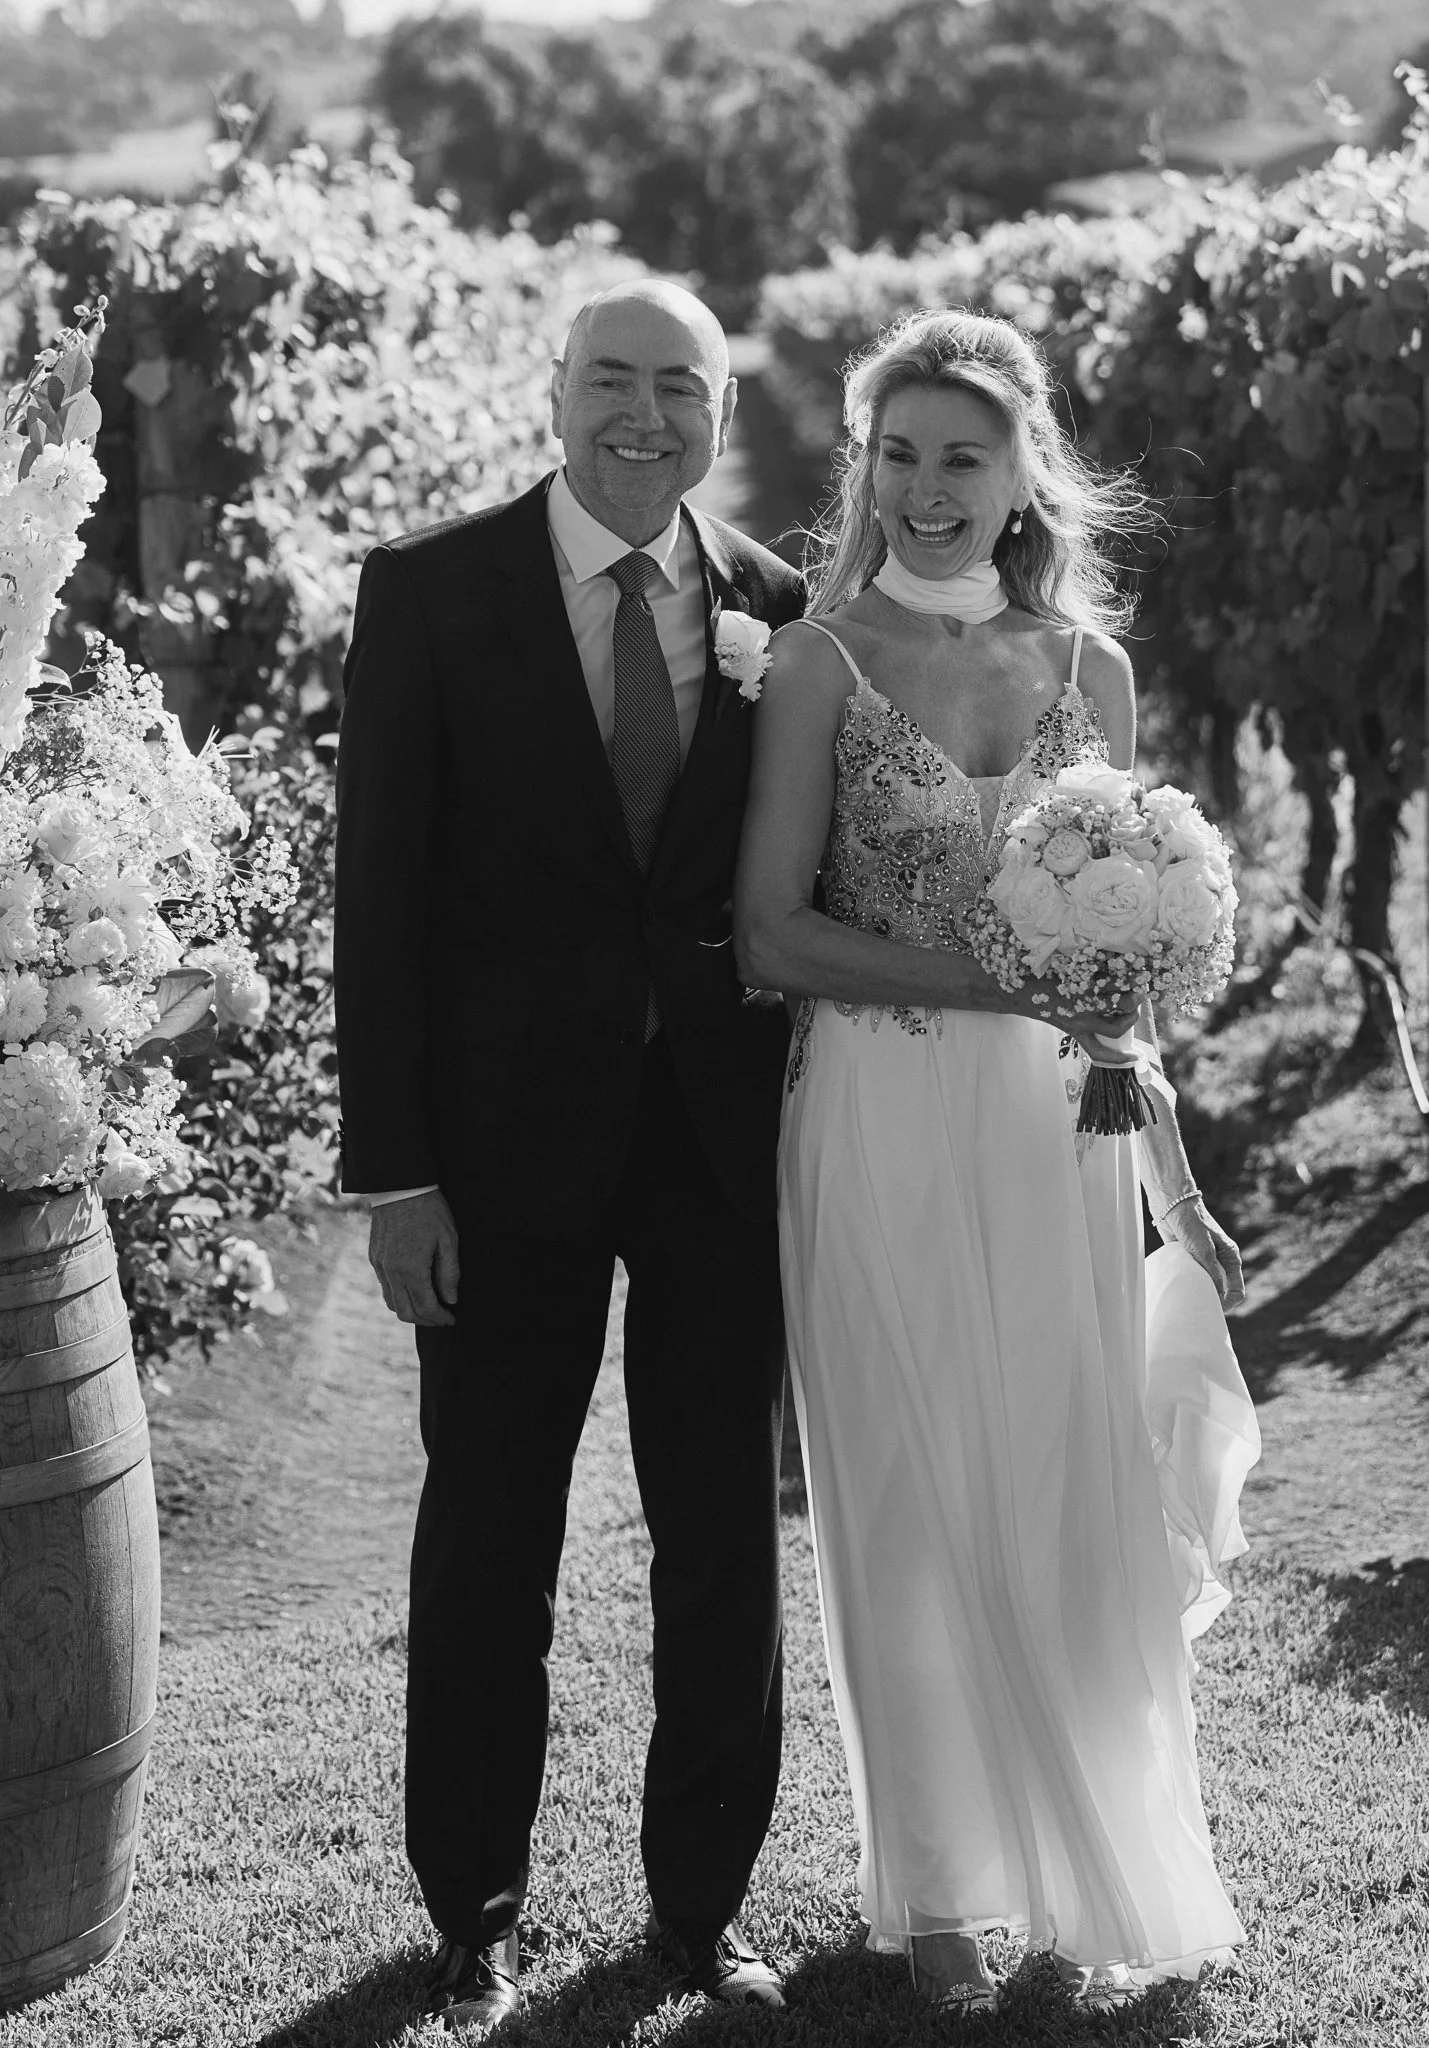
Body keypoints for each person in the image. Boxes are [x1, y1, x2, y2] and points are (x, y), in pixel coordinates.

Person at [735, 309, 1258, 2015]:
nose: (926, 486)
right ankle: (942, 1892)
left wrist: (1173, 1171)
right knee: (900, 1490)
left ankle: (1085, 1873)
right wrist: (998, 981)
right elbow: (771, 934)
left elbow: (1123, 960)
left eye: (962, 455)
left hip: (1058, 1133)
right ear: (866, 472)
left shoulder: (1091, 671)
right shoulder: (816, 663)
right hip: (874, 1111)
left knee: (1060, 1483)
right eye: (897, 454)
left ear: (1025, 472)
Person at [335, 279, 806, 2034]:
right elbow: (377, 899)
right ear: (554, 391)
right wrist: (396, 1177)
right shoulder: (429, 589)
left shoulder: (778, 607)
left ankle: (701, 1914)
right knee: (487, 1542)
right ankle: (472, 1917)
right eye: (612, 377)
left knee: (722, 1542)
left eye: (679, 387)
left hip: (715, 1154)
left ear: (721, 415)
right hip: (494, 1164)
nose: (643, 415)